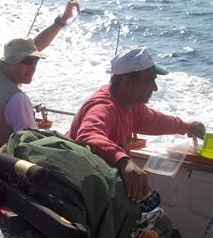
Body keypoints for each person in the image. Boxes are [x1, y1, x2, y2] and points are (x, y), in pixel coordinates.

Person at [68, 47, 206, 203]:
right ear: (126, 82)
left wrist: (187, 127)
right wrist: (124, 161)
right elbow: (87, 135)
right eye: (150, 80)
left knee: (154, 203)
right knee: (159, 218)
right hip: (82, 188)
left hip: (104, 179)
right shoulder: (103, 106)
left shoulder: (130, 105)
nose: (155, 88)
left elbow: (155, 121)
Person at [0, 0, 80, 149]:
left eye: (35, 61)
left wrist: (62, 19)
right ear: (9, 62)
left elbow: (34, 46)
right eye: (26, 62)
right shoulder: (17, 100)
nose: (32, 66)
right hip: (0, 166)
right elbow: (32, 149)